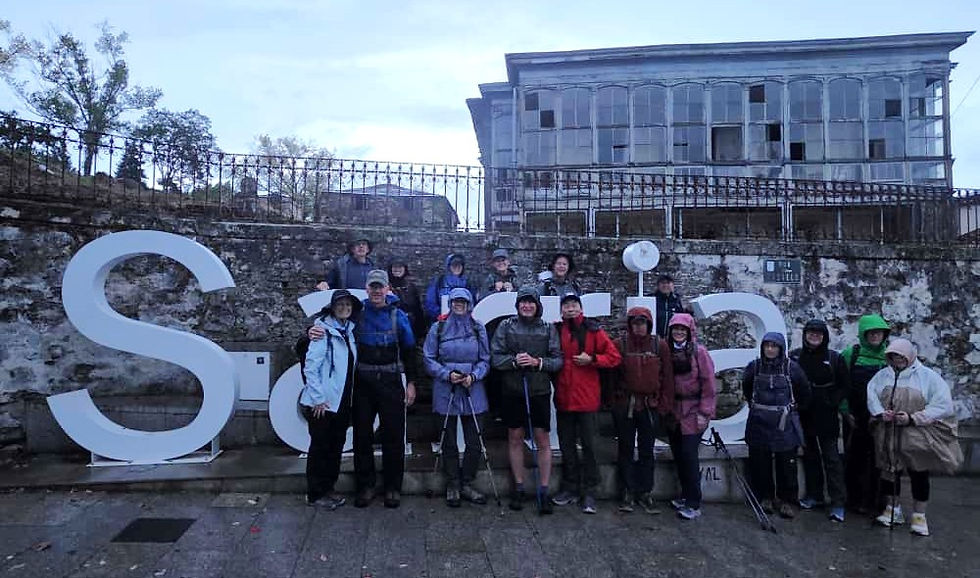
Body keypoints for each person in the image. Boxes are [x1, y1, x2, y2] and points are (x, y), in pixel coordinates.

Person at [869, 339, 963, 536]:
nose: (898, 360)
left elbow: (943, 405)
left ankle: (919, 516)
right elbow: (872, 395)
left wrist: (913, 418)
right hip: (889, 433)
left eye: (901, 356)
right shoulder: (883, 375)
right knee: (889, 471)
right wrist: (880, 413)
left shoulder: (928, 377)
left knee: (918, 473)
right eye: (894, 356)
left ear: (910, 356)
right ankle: (893, 510)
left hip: (916, 433)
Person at [490, 286, 563, 515]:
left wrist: (537, 362)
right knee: (515, 436)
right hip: (513, 390)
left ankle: (544, 488)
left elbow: (557, 360)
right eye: (523, 302)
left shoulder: (548, 328)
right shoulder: (506, 326)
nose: (527, 306)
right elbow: (495, 357)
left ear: (537, 305)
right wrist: (514, 361)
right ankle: (519, 487)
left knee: (542, 438)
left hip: (539, 390)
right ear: (518, 305)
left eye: (531, 302)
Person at [350, 269, 418, 508]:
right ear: (367, 289)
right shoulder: (356, 314)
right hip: (363, 384)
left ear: (388, 289)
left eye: (381, 287)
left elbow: (410, 351)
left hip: (390, 381)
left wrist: (410, 382)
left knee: (393, 436)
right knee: (362, 436)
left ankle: (392, 487)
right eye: (373, 287)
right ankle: (365, 486)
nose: (377, 291)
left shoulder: (398, 316)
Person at [550, 294, 621, 514]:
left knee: (590, 447)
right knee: (567, 446)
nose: (570, 309)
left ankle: (590, 491)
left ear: (581, 308)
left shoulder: (593, 330)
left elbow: (614, 357)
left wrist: (592, 360)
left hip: (587, 399)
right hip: (564, 398)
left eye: (574, 305)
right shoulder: (556, 330)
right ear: (561, 310)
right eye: (566, 306)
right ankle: (570, 487)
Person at [422, 288, 491, 508]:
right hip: (446, 388)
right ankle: (453, 482)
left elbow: (485, 359)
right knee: (448, 440)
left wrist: (474, 375)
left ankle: (467, 482)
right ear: (450, 303)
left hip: (472, 388)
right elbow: (428, 357)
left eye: (463, 301)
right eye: (455, 301)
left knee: (474, 440)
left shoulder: (477, 327)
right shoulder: (438, 327)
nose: (459, 305)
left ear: (469, 303)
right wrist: (446, 374)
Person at [301, 289, 361, 510]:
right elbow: (311, 367)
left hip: (342, 400)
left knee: (336, 447)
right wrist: (318, 398)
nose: (344, 308)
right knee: (320, 448)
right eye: (340, 305)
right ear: (332, 308)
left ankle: (328, 488)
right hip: (323, 403)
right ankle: (315, 493)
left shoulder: (348, 331)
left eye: (348, 305)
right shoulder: (322, 332)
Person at [609, 306, 672, 514]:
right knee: (625, 449)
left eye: (643, 322)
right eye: (635, 323)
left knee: (647, 450)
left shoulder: (659, 345)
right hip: (625, 405)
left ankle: (645, 492)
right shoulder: (620, 344)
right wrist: (614, 402)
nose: (639, 327)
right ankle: (626, 491)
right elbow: (611, 376)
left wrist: (664, 406)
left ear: (649, 324)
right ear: (629, 324)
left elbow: (668, 379)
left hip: (649, 406)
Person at [742, 332, 811, 519]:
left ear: (781, 348)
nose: (770, 349)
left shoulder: (792, 369)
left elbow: (804, 391)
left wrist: (793, 410)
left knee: (786, 465)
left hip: (784, 424)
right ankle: (765, 497)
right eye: (767, 345)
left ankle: (788, 501)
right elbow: (747, 388)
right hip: (759, 422)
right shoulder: (754, 367)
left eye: (774, 346)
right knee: (760, 464)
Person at [789, 319, 850, 522]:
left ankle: (838, 502)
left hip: (826, 415)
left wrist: (833, 400)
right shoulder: (796, 356)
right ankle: (815, 495)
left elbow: (844, 385)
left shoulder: (834, 358)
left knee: (831, 458)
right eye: (810, 332)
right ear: (805, 334)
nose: (814, 336)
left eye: (818, 333)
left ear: (825, 337)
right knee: (810, 456)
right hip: (804, 413)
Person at [663, 313, 716, 520]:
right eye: (675, 329)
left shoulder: (699, 352)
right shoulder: (667, 351)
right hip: (674, 410)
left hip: (693, 410)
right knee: (678, 455)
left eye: (682, 329)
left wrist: (705, 412)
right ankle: (685, 495)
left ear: (689, 331)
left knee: (689, 456)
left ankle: (694, 502)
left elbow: (709, 383)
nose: (678, 332)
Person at [840, 314, 891, 515]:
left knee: (880, 459)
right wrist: (845, 411)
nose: (875, 336)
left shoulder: (890, 355)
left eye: (879, 332)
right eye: (871, 332)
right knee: (855, 458)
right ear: (864, 334)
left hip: (881, 418)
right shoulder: (850, 354)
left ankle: (877, 501)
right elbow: (842, 384)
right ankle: (854, 500)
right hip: (856, 416)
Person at [425, 253, 478, 322]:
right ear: (448, 266)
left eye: (460, 265)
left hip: (465, 322)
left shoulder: (468, 283)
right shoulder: (439, 282)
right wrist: (440, 316)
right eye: (454, 265)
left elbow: (473, 303)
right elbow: (430, 302)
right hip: (443, 321)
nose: (457, 267)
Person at [388, 258, 426, 340]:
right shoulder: (385, 287)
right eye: (395, 267)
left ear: (405, 269)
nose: (397, 269)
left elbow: (417, 309)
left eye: (400, 267)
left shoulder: (411, 287)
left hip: (409, 324)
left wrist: (421, 331)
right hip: (390, 326)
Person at [653, 273, 686, 338]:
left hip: (672, 339)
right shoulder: (652, 299)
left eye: (668, 283)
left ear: (672, 285)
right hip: (655, 338)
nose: (665, 285)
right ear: (658, 285)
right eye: (663, 283)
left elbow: (682, 319)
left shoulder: (677, 300)